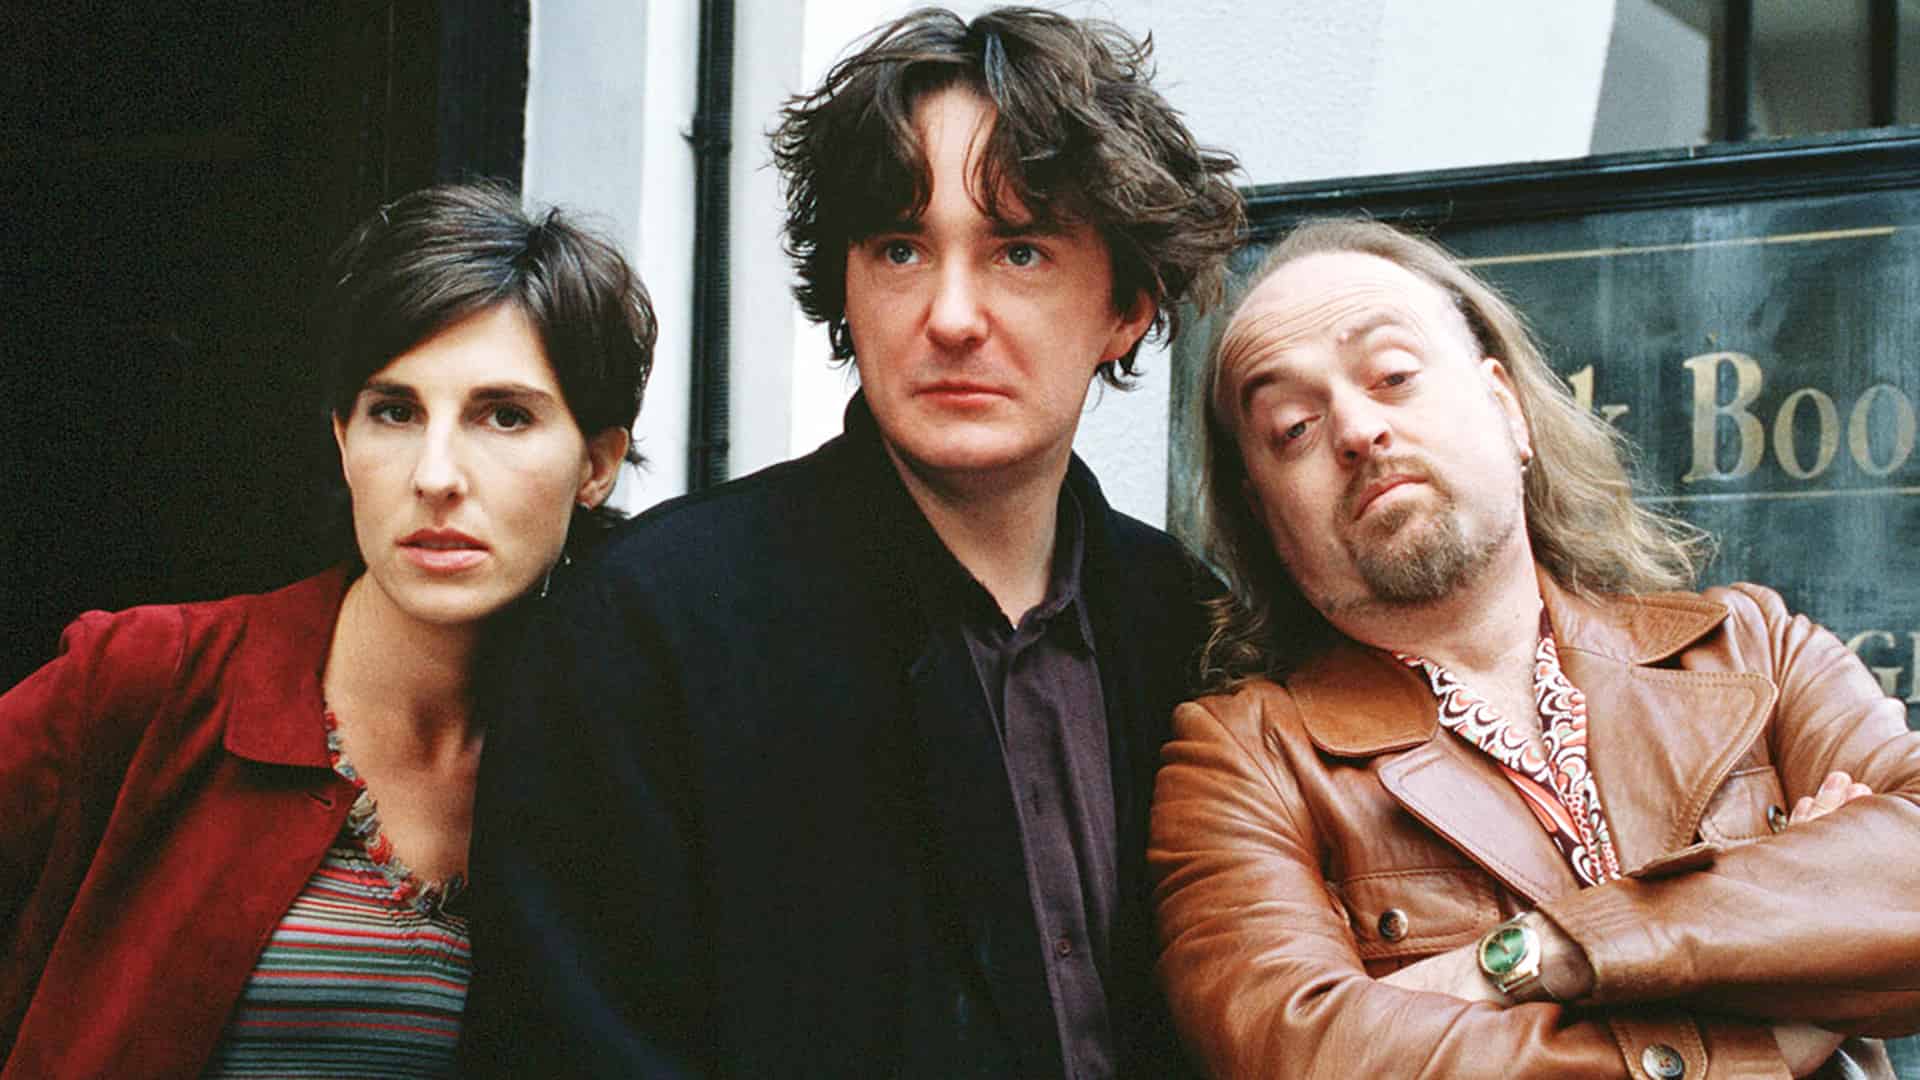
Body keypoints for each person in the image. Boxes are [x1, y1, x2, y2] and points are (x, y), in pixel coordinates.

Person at [460, 7, 1242, 1077]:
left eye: (1018, 250)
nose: (953, 315)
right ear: (846, 287)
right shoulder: (648, 624)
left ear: (1128, 308)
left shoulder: (1189, 629)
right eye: (900, 249)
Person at [1149, 217, 1920, 1078]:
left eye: (1394, 376)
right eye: (1292, 426)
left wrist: (1538, 954)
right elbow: (1303, 1057)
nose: (1357, 430)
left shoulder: (1753, 650)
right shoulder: (1242, 762)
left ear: (1507, 409)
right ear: (1265, 516)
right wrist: (1781, 981)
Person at [0, 182, 655, 1078]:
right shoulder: (153, 676)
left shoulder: (626, 756)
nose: (436, 475)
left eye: (504, 415)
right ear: (344, 440)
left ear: (597, 465)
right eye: (395, 411)